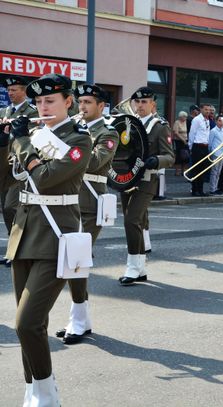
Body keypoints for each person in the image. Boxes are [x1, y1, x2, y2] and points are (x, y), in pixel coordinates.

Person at [3, 73, 92, 405]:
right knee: (32, 326)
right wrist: (9, 138)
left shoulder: (80, 139)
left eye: (50, 101)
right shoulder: (36, 133)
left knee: (26, 323)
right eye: (39, 101)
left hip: (57, 235)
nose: (43, 107)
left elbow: (45, 178)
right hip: (24, 234)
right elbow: (16, 176)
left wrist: (22, 142)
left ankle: (47, 392)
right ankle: (34, 390)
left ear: (68, 102)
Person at [54, 83, 119, 345]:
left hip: (90, 204)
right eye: (80, 102)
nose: (82, 107)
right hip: (66, 200)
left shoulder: (108, 132)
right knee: (68, 261)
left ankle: (79, 320)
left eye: (88, 102)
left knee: (75, 261)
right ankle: (81, 317)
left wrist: (75, 138)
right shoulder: (70, 129)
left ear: (102, 106)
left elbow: (92, 162)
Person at [118, 86, 174, 286]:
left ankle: (132, 266)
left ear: (153, 104)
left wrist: (155, 160)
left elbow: (170, 157)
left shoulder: (160, 126)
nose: (140, 105)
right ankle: (140, 268)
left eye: (144, 102)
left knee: (131, 221)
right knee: (135, 222)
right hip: (127, 178)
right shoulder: (129, 124)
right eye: (137, 102)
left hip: (147, 179)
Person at [0, 76, 38, 268]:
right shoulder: (3, 111)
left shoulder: (32, 112)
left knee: (10, 206)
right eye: (8, 90)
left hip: (19, 166)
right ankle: (13, 248)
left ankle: (20, 248)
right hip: (3, 165)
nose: (10, 93)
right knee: (5, 207)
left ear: (23, 91)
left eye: (14, 90)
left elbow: (33, 138)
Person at [188, 103, 211, 196]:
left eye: (209, 110)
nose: (208, 111)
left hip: (205, 146)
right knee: (196, 169)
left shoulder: (208, 120)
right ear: (201, 110)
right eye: (206, 109)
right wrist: (190, 146)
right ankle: (194, 190)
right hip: (197, 146)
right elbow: (192, 133)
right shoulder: (197, 120)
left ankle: (201, 190)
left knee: (203, 169)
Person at [208, 115, 223, 195]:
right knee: (214, 171)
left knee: (218, 172)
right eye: (219, 121)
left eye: (222, 121)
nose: (221, 123)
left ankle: (215, 187)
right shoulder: (213, 131)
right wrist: (211, 152)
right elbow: (210, 143)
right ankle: (212, 189)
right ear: (216, 121)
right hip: (216, 153)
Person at [172, 111, 189, 176]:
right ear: (180, 117)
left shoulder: (186, 122)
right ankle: (177, 171)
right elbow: (176, 132)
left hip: (186, 140)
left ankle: (183, 170)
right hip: (178, 141)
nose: (185, 118)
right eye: (184, 116)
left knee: (185, 156)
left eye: (186, 117)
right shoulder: (177, 122)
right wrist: (183, 140)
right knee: (179, 156)